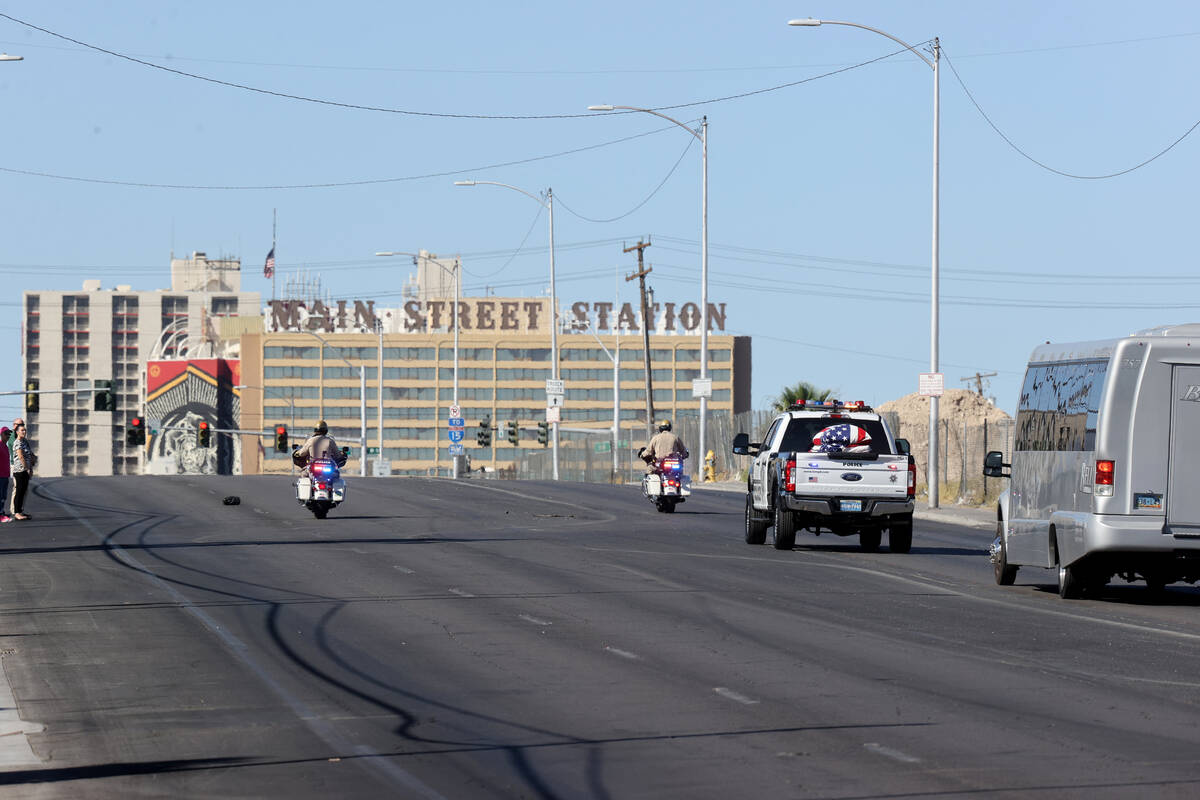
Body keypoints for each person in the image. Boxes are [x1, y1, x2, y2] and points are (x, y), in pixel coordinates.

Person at [9, 420, 35, 520]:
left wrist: (31, 468)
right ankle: (16, 513)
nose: (24, 432)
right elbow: (21, 457)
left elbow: (29, 455)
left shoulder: (24, 442)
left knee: (23, 491)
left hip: (25, 471)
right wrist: (27, 468)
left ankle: (20, 511)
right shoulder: (17, 442)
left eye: (25, 430)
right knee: (19, 492)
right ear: (17, 432)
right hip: (19, 471)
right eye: (22, 430)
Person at [0, 426, 11, 523]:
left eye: (9, 434)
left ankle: (2, 512)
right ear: (1, 434)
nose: (8, 436)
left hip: (5, 475)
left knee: (3, 496)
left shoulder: (6, 447)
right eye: (6, 433)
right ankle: (0, 515)